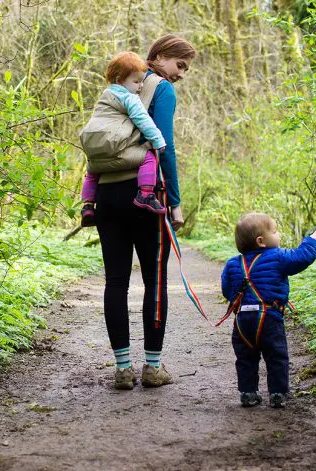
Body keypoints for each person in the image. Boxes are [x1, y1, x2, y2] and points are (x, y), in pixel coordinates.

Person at [94, 35, 196, 390]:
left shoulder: (115, 89)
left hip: (107, 193)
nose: (181, 74)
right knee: (154, 282)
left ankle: (123, 369)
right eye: (180, 65)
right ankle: (152, 368)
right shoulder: (162, 90)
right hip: (145, 196)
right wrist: (176, 202)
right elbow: (164, 146)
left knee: (116, 282)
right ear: (161, 57)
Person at [221, 213, 316, 408]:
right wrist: (312, 241)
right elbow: (300, 258)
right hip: (269, 317)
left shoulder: (233, 264)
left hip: (242, 320)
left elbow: (227, 290)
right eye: (275, 231)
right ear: (261, 241)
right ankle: (277, 393)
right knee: (276, 355)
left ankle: (248, 393)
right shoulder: (277, 257)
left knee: (245, 358)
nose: (278, 234)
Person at [79, 52, 167, 227]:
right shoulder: (129, 98)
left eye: (142, 81)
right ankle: (146, 194)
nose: (141, 86)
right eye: (136, 81)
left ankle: (87, 205)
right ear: (120, 80)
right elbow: (143, 120)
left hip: (95, 149)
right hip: (116, 147)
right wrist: (158, 142)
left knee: (91, 172)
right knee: (148, 157)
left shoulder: (106, 94)